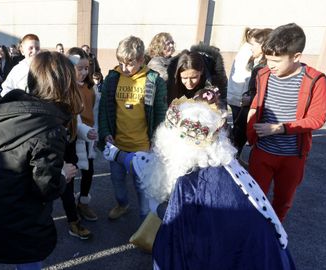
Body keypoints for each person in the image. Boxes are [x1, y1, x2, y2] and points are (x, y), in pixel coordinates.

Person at [104, 88, 296, 270]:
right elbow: (148, 164)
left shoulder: (190, 185)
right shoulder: (223, 163)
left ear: (173, 143)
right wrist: (117, 155)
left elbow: (176, 236)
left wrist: (160, 211)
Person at [0, 51, 82, 270]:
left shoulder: (10, 112)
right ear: (66, 84)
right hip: (22, 221)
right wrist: (63, 174)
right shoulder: (48, 128)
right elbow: (46, 187)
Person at [247, 23, 326, 221]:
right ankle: (253, 234)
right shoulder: (263, 73)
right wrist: (250, 120)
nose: (270, 65)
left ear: (296, 56)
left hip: (292, 156)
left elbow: (317, 119)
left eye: (276, 60)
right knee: (253, 198)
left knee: (283, 201)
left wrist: (280, 128)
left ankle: (275, 232)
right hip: (262, 151)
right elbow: (258, 101)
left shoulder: (315, 80)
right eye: (267, 59)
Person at [98, 36, 167, 221]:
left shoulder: (153, 81)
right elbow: (104, 109)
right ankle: (122, 204)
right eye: (120, 62)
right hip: (117, 146)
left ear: (141, 60)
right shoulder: (113, 79)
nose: (124, 68)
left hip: (142, 147)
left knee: (141, 185)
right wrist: (105, 133)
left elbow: (160, 113)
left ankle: (145, 220)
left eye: (129, 63)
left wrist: (156, 141)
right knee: (117, 180)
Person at [67, 47, 100, 222]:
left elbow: (94, 109)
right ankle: (71, 203)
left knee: (89, 171)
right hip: (74, 135)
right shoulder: (67, 88)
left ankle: (84, 202)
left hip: (90, 135)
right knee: (72, 171)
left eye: (86, 68)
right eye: (79, 68)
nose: (84, 72)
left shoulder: (90, 87)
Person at [232, 28, 272, 156]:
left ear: (263, 45)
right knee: (237, 138)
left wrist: (252, 98)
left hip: (252, 110)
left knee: (237, 140)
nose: (251, 48)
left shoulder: (264, 68)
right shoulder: (258, 63)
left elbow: (265, 92)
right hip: (246, 107)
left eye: (253, 45)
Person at [167, 43, 227, 108]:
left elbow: (221, 105)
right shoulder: (170, 78)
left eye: (194, 77)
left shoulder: (215, 77)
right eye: (184, 78)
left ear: (201, 71)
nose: (189, 83)